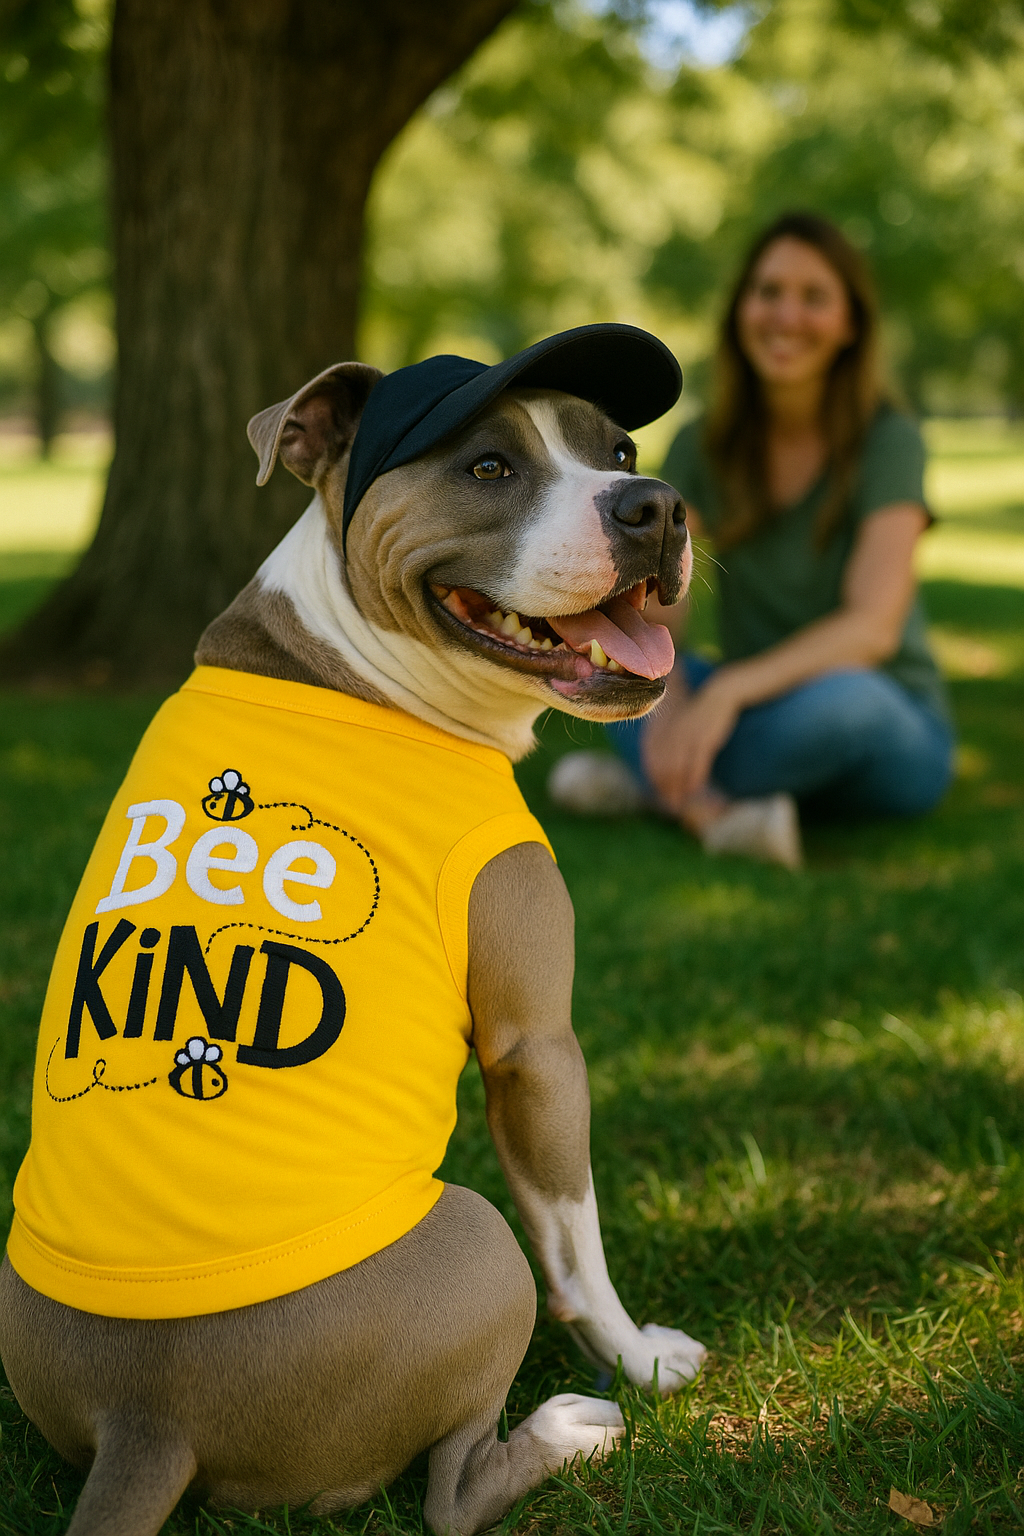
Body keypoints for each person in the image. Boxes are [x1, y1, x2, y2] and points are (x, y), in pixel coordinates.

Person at [549, 211, 954, 868]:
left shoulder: (889, 440)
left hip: (884, 715)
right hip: (758, 705)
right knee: (622, 669)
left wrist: (725, 694)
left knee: (849, 704)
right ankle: (711, 811)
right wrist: (674, 693)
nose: (786, 315)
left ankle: (658, 791)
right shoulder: (704, 444)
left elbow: (872, 629)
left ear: (850, 324)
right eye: (768, 292)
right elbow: (657, 613)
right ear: (741, 309)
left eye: (813, 296)